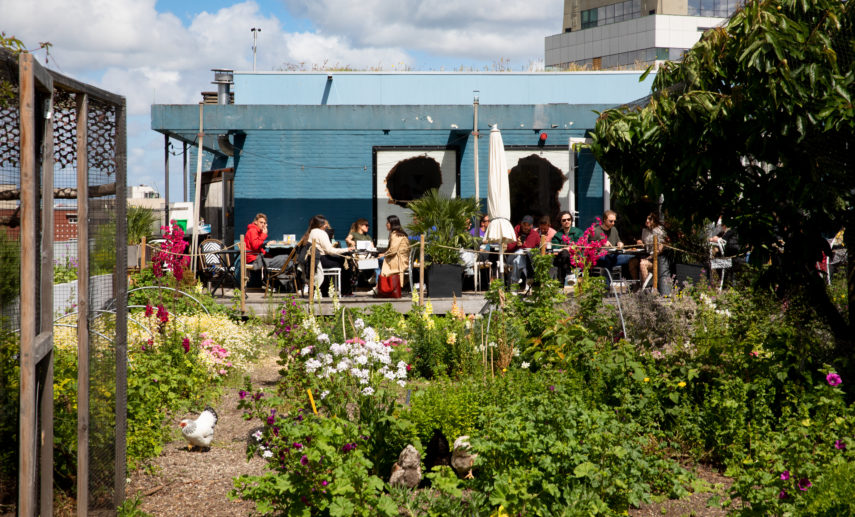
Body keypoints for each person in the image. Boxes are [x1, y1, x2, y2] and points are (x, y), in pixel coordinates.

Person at [304, 214, 356, 296]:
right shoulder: (322, 233)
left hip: (317, 260)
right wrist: (347, 249)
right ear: (320, 224)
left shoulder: (312, 232)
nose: (326, 226)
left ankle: (327, 289)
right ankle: (346, 291)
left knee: (342, 261)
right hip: (322, 259)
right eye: (325, 224)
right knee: (346, 263)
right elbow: (330, 250)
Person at [629, 213, 666, 289]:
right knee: (632, 262)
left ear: (655, 221)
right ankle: (636, 286)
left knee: (643, 264)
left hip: (655, 258)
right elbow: (646, 246)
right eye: (646, 219)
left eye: (650, 219)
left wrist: (649, 257)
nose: (647, 221)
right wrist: (641, 243)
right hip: (646, 255)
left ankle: (646, 288)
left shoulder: (660, 231)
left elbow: (660, 249)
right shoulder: (644, 231)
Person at [593, 209, 633, 281]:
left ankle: (632, 285)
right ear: (604, 220)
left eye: (614, 221)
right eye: (611, 221)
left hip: (614, 255)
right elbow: (590, 247)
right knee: (607, 259)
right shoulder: (596, 231)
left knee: (633, 258)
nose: (613, 223)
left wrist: (620, 244)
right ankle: (607, 287)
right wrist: (601, 244)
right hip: (601, 257)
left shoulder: (614, 229)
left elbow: (618, 241)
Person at [377, 215, 410, 297]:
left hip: (399, 261)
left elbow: (393, 250)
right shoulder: (399, 233)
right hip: (399, 259)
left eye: (387, 223)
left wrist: (383, 254)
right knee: (379, 260)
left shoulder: (396, 235)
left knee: (377, 261)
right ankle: (379, 285)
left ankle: (379, 286)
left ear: (392, 223)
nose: (386, 224)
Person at [505, 215, 540, 285]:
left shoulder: (535, 235)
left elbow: (538, 249)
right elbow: (508, 248)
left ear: (532, 226)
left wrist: (523, 245)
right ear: (521, 223)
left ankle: (514, 284)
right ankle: (529, 280)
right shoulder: (514, 231)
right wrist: (516, 245)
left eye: (528, 225)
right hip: (511, 257)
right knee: (521, 253)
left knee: (518, 261)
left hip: (526, 260)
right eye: (524, 224)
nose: (526, 227)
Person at [551, 211, 583, 283]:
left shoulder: (578, 232)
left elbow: (579, 245)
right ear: (561, 222)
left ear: (571, 220)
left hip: (576, 258)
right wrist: (567, 248)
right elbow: (555, 249)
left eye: (569, 219)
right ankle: (568, 275)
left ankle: (564, 279)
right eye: (564, 220)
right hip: (561, 259)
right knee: (564, 254)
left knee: (564, 254)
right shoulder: (557, 235)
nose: (567, 221)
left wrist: (567, 249)